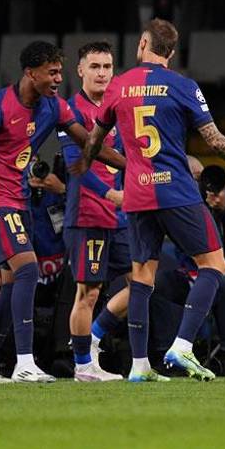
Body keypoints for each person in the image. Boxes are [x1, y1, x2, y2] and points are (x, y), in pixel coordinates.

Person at [81, 19, 225, 382]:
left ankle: (139, 366)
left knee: (142, 277)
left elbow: (93, 142)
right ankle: (183, 344)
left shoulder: (118, 86)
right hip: (176, 191)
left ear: (144, 43)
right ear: (172, 52)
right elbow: (213, 140)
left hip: (137, 194)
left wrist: (105, 167)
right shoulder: (182, 85)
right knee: (214, 265)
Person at [0, 41, 125, 384]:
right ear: (30, 73)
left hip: (20, 200)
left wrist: (135, 168)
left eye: (59, 72)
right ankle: (24, 364)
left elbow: (91, 145)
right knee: (29, 271)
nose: (57, 78)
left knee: (10, 284)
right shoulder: (0, 105)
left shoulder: (54, 106)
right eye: (51, 72)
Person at [149, 158, 225, 377]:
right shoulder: (178, 205)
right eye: (197, 179)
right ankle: (166, 354)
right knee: (159, 283)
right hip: (190, 274)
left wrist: (224, 209)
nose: (203, 185)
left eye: (203, 178)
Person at [59, 41, 129, 382]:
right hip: (88, 215)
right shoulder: (71, 111)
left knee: (144, 281)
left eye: (107, 66)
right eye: (95, 66)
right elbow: (78, 166)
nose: (102, 72)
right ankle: (84, 366)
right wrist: (111, 193)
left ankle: (95, 337)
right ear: (81, 70)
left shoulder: (118, 107)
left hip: (122, 215)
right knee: (88, 293)